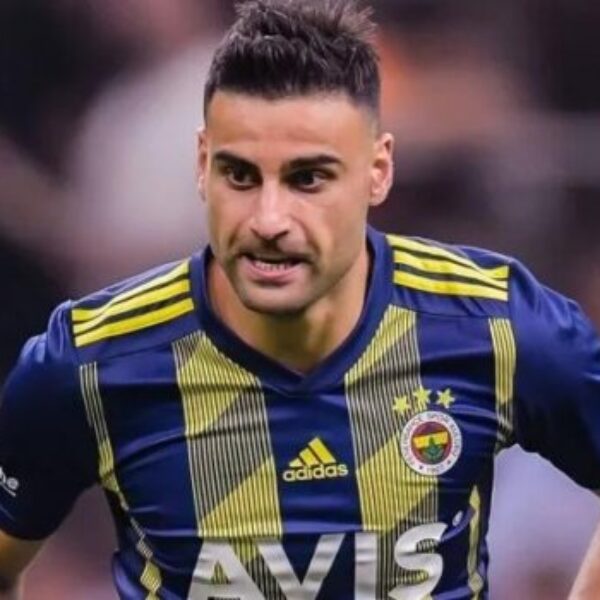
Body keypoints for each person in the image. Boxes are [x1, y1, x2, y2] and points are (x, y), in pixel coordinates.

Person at [0, 1, 599, 598]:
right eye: (240, 175)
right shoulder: (90, 360)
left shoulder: (495, 325)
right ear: (203, 166)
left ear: (377, 172)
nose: (269, 220)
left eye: (308, 178)